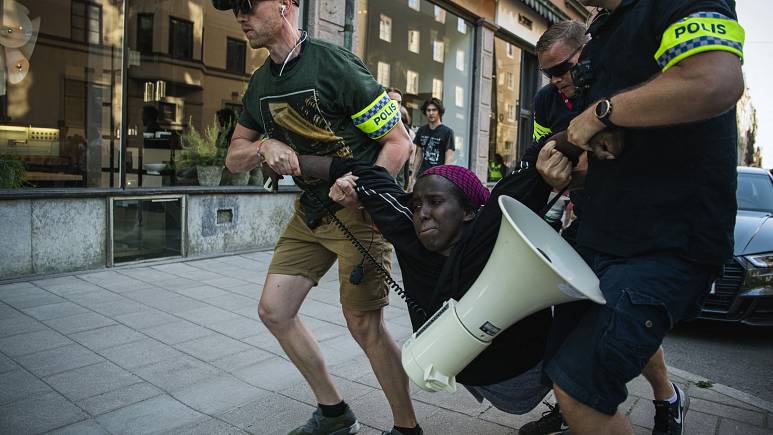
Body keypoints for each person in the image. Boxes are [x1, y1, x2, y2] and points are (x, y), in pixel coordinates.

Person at [213, 1, 419, 434]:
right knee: (275, 311)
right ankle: (335, 414)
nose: (240, 16)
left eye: (249, 5)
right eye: (235, 8)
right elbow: (234, 157)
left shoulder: (333, 64)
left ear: (287, 4)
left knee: (364, 325)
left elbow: (399, 142)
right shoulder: (260, 84)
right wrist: (261, 147)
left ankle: (406, 427)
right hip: (309, 214)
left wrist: (363, 188)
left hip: (358, 214)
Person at [542, 2, 745, 434]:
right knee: (565, 377)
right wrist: (569, 156)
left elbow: (715, 81)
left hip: (665, 240)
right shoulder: (607, 27)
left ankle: (667, 398)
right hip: (604, 235)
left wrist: (596, 117)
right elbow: (625, 146)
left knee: (582, 387)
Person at [294, 153, 556, 418]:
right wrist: (293, 160)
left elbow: (539, 157)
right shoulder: (407, 227)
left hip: (535, 366)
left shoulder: (491, 226)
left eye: (436, 202)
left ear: (469, 211)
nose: (423, 214)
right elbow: (359, 170)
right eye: (417, 205)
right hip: (478, 374)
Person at [519, 20, 686, 435]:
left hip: (634, 228)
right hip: (584, 222)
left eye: (564, 68)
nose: (557, 80)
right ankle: (567, 404)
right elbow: (542, 154)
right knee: (570, 327)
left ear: (586, 53)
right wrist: (551, 169)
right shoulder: (546, 101)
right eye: (548, 73)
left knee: (615, 321)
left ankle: (667, 396)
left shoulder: (613, 85)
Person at [412, 98, 455, 179]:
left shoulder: (447, 132)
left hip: (438, 176)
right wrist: (413, 177)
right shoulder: (421, 130)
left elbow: (449, 158)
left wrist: (444, 178)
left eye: (434, 110)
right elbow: (419, 155)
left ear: (439, 111)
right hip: (422, 175)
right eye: (428, 110)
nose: (431, 113)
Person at [386, 87, 415, 190]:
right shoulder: (377, 128)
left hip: (399, 184)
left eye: (399, 102)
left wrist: (405, 182)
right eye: (392, 101)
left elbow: (406, 159)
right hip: (381, 181)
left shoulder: (405, 129)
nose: (396, 105)